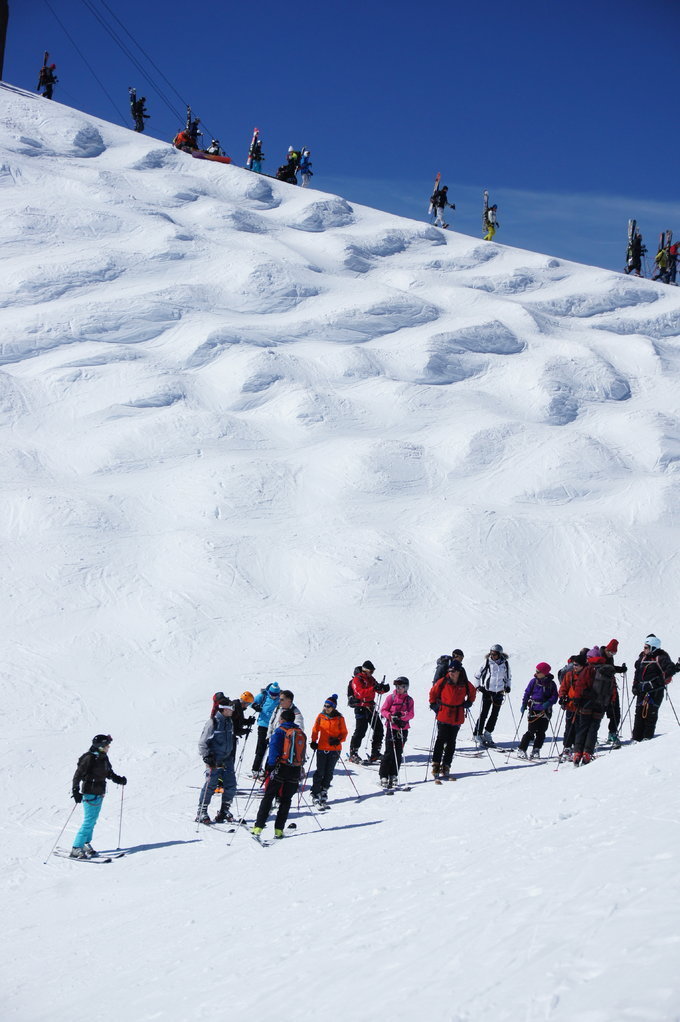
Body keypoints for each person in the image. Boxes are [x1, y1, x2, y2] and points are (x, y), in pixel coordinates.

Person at [252, 709, 306, 839]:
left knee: (269, 796)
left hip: (280, 768)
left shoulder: (280, 731)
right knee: (286, 800)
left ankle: (258, 827)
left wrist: (269, 768)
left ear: (282, 719)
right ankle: (279, 830)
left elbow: (274, 751)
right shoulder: (300, 733)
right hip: (294, 770)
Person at [70, 734, 126, 858]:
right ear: (100, 746)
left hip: (99, 793)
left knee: (92, 821)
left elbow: (109, 773)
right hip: (89, 792)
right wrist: (75, 790)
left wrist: (119, 780)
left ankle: (85, 844)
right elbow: (78, 774)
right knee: (88, 821)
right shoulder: (89, 758)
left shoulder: (103, 758)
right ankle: (76, 847)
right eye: (106, 745)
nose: (108, 747)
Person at [429, 661, 476, 779]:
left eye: (454, 671)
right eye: (450, 671)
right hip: (444, 714)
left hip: (457, 715)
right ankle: (436, 764)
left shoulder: (464, 683)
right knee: (440, 739)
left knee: (451, 741)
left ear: (459, 672)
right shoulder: (443, 681)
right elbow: (433, 692)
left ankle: (446, 765)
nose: (451, 673)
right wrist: (433, 704)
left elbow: (473, 692)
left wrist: (469, 702)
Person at [196, 698, 236, 823]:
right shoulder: (213, 722)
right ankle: (202, 811)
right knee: (211, 785)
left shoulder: (229, 722)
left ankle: (224, 810)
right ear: (224, 709)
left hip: (227, 759)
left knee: (231, 785)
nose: (233, 710)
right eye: (231, 708)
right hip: (214, 759)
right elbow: (202, 742)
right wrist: (207, 756)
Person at [632, 635, 678, 741]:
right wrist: (635, 686)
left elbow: (670, 670)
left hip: (655, 691)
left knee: (650, 715)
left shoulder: (661, 657)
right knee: (639, 714)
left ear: (653, 647)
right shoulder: (642, 657)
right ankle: (636, 739)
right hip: (642, 690)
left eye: (646, 647)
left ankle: (647, 739)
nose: (644, 649)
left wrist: (656, 682)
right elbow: (637, 672)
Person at [347, 660, 390, 764]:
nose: (372, 673)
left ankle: (375, 753)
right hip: (360, 707)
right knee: (361, 730)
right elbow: (359, 693)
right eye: (371, 671)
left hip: (370, 707)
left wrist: (383, 688)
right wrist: (373, 688)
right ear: (365, 670)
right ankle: (353, 753)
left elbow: (376, 689)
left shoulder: (370, 679)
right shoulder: (357, 680)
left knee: (379, 728)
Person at [310, 694, 348, 806]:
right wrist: (313, 741)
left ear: (333, 707)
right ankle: (315, 792)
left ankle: (324, 790)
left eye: (328, 706)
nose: (325, 708)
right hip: (322, 748)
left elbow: (344, 733)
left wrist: (338, 740)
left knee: (329, 772)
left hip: (334, 749)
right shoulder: (321, 716)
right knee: (320, 771)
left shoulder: (340, 718)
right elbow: (315, 729)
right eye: (325, 705)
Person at [379, 677, 415, 788]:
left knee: (398, 752)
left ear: (406, 688)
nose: (399, 689)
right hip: (392, 728)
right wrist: (391, 716)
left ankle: (394, 774)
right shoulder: (391, 698)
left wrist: (402, 716)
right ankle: (383, 775)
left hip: (403, 729)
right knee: (389, 751)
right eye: (397, 687)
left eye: (402, 687)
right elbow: (383, 710)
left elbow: (411, 714)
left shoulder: (409, 700)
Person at [473, 644, 511, 747]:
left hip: (499, 692)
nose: (492, 655)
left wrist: (507, 686)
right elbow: (477, 675)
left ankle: (488, 733)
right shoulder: (486, 662)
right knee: (484, 713)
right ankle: (477, 733)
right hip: (487, 692)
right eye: (491, 653)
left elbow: (508, 677)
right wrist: (478, 687)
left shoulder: (505, 664)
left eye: (494, 654)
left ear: (499, 654)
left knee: (495, 714)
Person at [518, 663, 558, 759]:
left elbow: (555, 696)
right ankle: (522, 749)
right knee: (531, 731)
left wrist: (547, 703)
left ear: (544, 673)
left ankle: (536, 750)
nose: (536, 673)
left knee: (541, 732)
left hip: (545, 711)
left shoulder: (551, 684)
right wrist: (524, 704)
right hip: (534, 709)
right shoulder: (533, 681)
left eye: (538, 672)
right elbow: (527, 693)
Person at [557, 653, 588, 759]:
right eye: (574, 665)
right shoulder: (569, 675)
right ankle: (567, 747)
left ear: (583, 666)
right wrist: (562, 697)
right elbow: (563, 688)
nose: (575, 667)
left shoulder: (587, 675)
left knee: (580, 728)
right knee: (569, 727)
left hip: (582, 706)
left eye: (577, 665)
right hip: (570, 705)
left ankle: (578, 748)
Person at [598, 640, 626, 746]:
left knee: (615, 712)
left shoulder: (609, 657)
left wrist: (620, 669)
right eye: (610, 652)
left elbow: (611, 668)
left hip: (611, 688)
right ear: (606, 649)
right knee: (598, 713)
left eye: (614, 653)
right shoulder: (599, 656)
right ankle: (593, 736)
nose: (612, 654)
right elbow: (607, 669)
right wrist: (619, 669)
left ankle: (612, 733)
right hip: (600, 689)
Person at [250, 682, 281, 777]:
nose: (273, 696)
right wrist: (255, 706)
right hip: (263, 725)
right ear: (269, 692)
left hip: (274, 727)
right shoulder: (263, 695)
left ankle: (268, 769)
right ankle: (256, 768)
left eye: (276, 695)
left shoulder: (280, 698)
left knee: (272, 748)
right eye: (272, 694)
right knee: (261, 748)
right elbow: (252, 702)